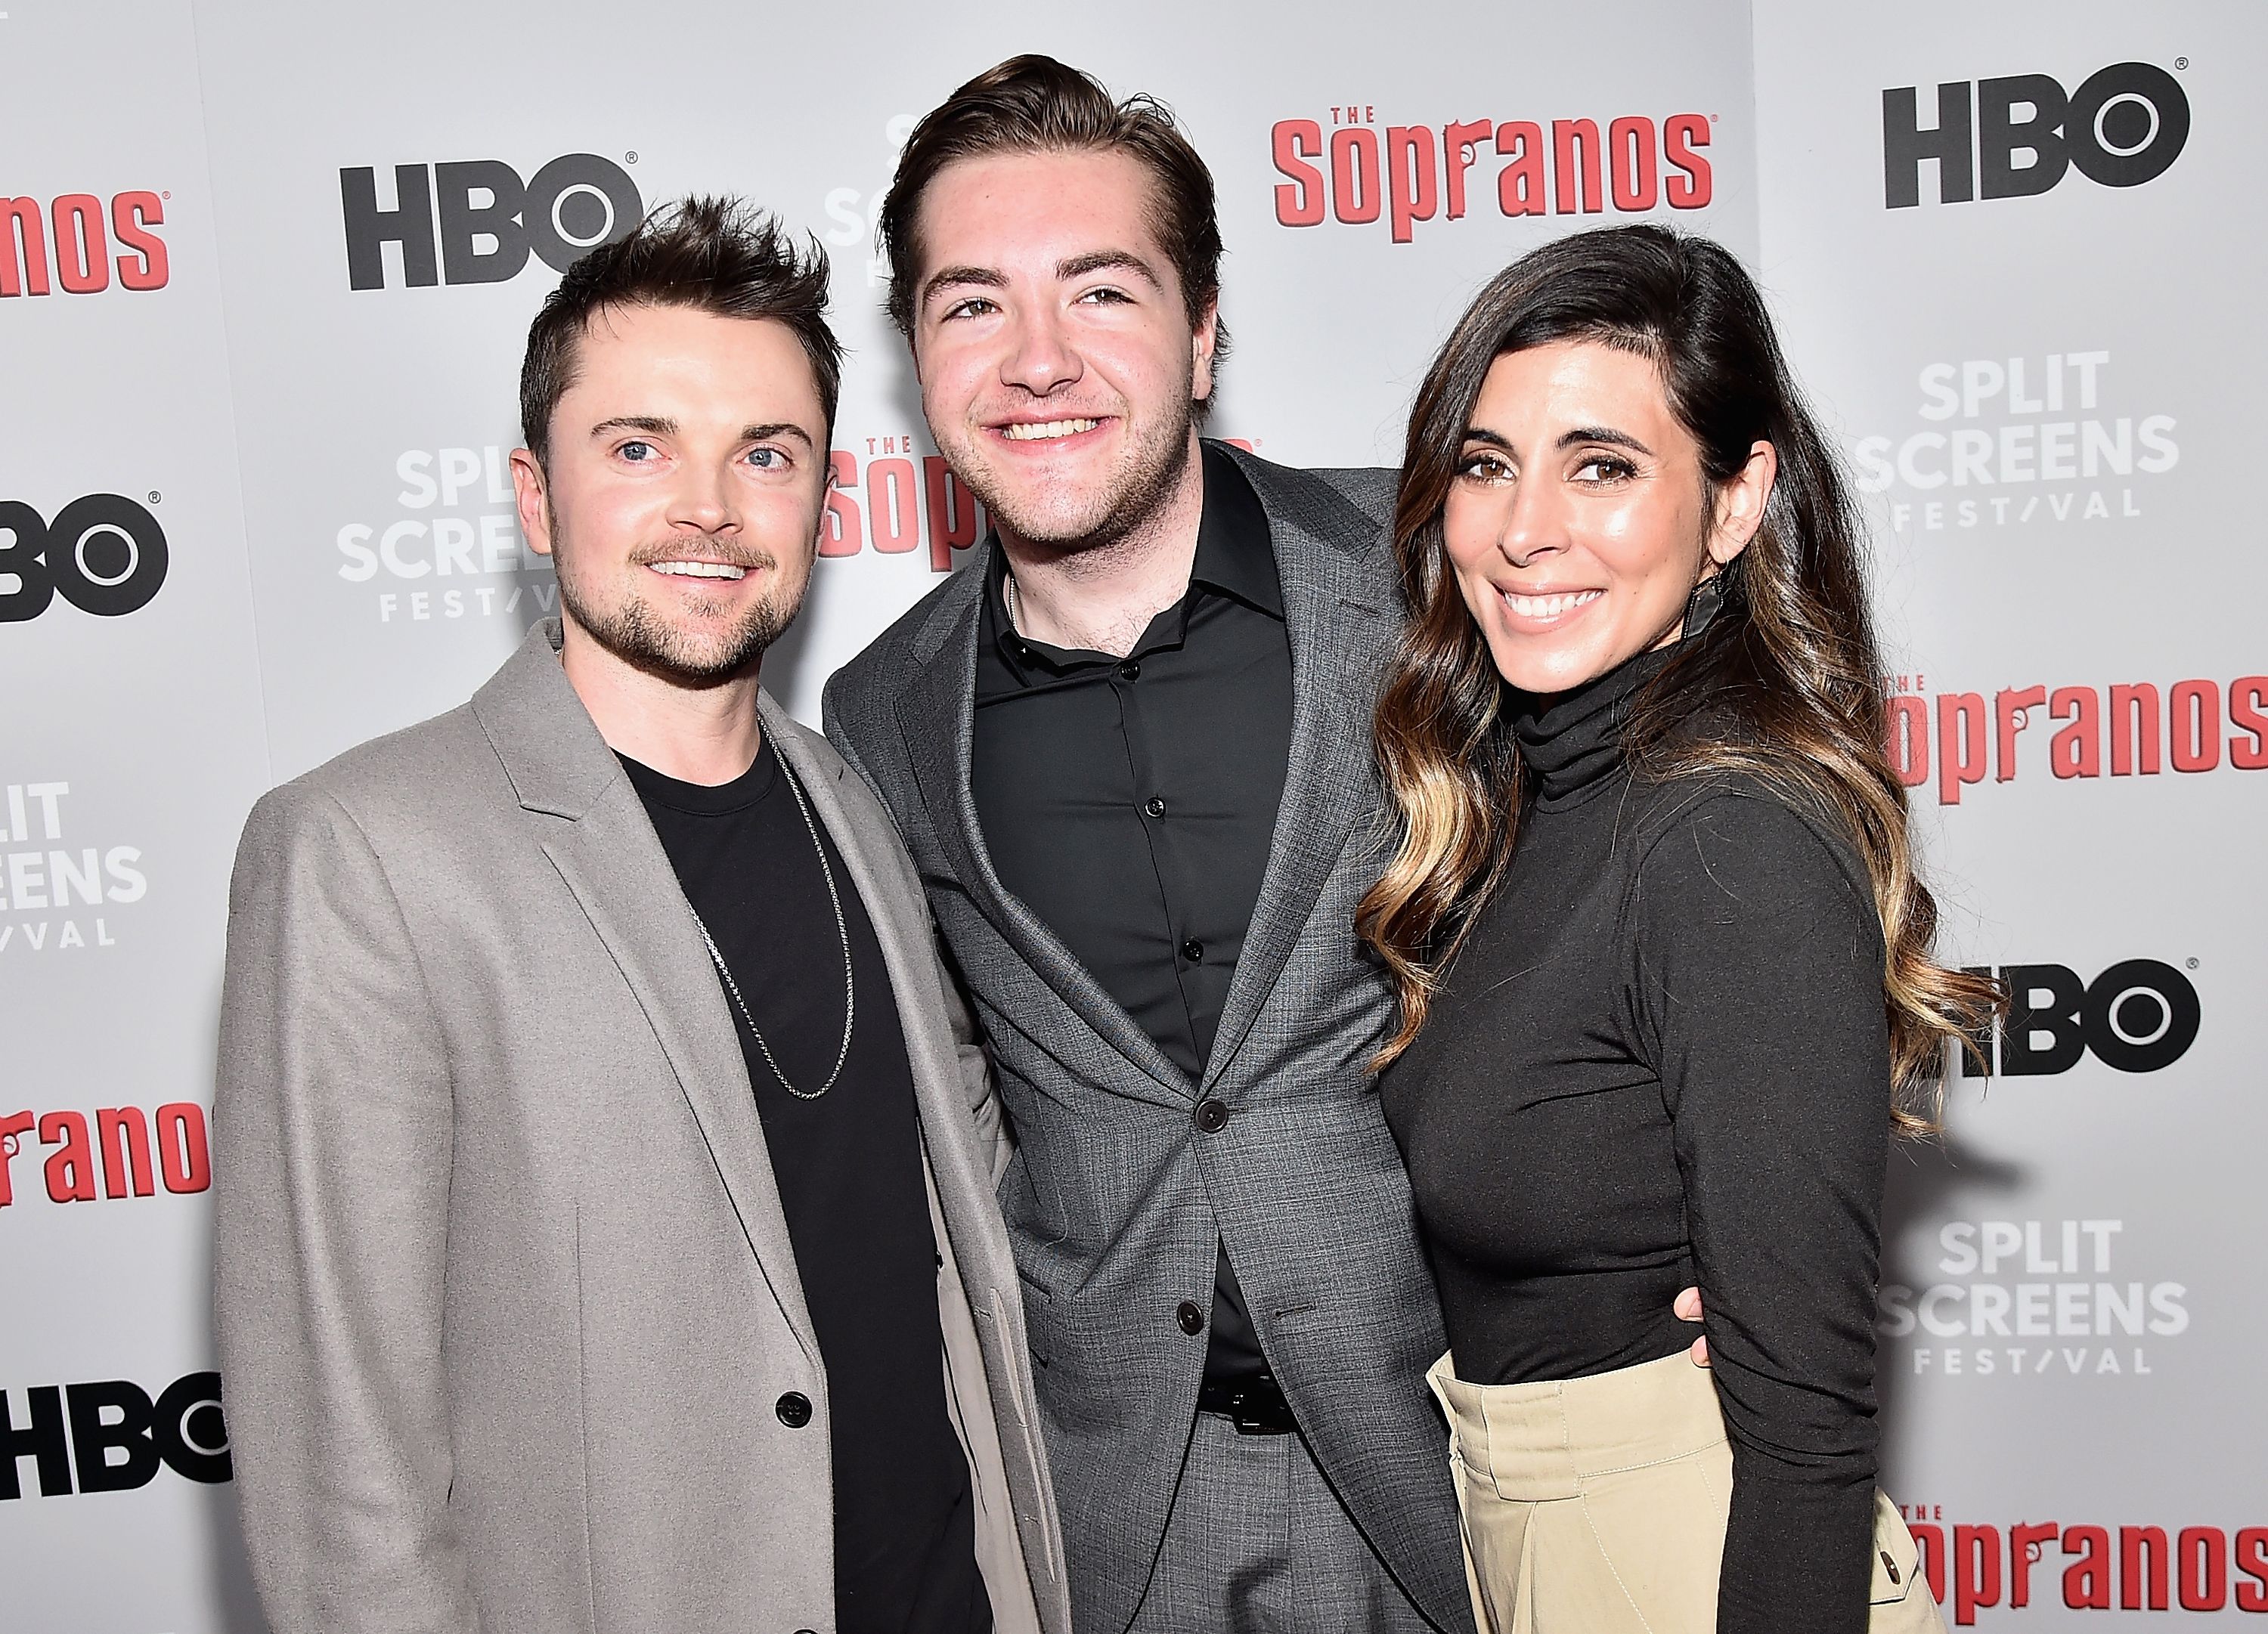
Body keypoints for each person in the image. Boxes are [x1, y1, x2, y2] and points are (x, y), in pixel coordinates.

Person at [823, 57, 1701, 1634]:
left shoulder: (1435, 571)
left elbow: (1711, 835)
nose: (1037, 362)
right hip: (1117, 1515)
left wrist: (1744, 1206)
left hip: (1466, 1459)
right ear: (914, 357)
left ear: (1205, 332)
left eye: (1100, 292)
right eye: (972, 306)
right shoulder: (880, 707)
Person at [212, 197, 1069, 1634]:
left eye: (766, 453)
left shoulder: (865, 797)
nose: (710, 509)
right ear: (537, 500)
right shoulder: (363, 851)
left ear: (822, 502)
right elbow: (344, 1464)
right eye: (638, 448)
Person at [1364, 224, 1991, 1634]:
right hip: (1550, 1534)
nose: (1526, 528)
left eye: (1604, 464)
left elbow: (1809, 1423)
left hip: (1697, 1553)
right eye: (1485, 462)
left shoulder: (1726, 835)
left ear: (1733, 498)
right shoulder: (1523, 806)